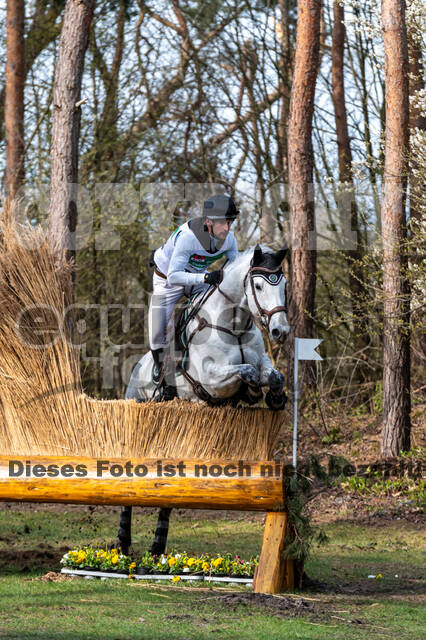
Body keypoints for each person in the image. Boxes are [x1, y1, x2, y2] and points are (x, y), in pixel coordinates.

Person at [149, 194, 240, 400]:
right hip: (168, 280)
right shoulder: (189, 237)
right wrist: (206, 276)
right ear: (208, 222)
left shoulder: (229, 240)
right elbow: (174, 276)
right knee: (156, 331)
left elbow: (234, 267)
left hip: (196, 280)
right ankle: (162, 376)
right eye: (222, 223)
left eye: (230, 222)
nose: (227, 228)